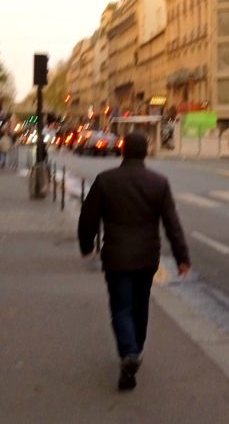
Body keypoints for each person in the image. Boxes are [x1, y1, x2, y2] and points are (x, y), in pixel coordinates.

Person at [78, 132, 190, 392]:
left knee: (121, 308)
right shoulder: (158, 183)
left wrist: (86, 245)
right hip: (146, 256)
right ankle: (135, 350)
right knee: (140, 305)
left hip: (116, 256)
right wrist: (182, 257)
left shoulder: (106, 180)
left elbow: (88, 217)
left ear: (123, 150)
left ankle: (128, 352)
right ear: (145, 152)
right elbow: (172, 225)